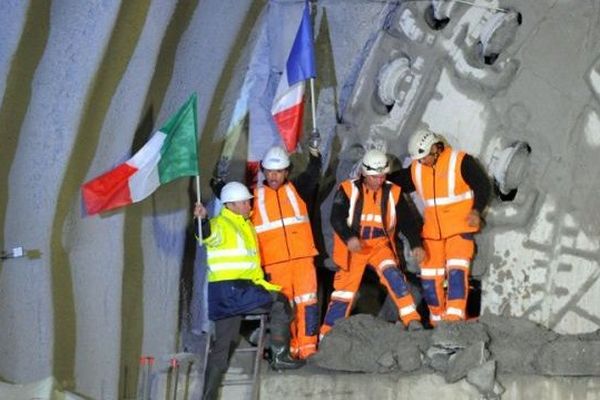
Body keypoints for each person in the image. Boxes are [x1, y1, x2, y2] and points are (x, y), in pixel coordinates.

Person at [194, 181, 303, 400]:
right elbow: (207, 234)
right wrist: (202, 219)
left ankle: (207, 396)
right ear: (231, 205)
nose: (248, 205)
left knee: (222, 347)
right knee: (280, 302)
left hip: (223, 295)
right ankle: (279, 357)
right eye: (244, 202)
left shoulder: (242, 223)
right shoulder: (222, 224)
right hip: (237, 291)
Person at [389, 128, 491, 324]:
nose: (422, 162)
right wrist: (375, 177)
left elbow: (482, 185)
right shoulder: (417, 169)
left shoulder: (459, 161)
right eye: (419, 159)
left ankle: (454, 321)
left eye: (425, 157)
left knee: (456, 273)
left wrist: (476, 211)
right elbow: (395, 181)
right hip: (432, 234)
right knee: (429, 279)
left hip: (459, 230)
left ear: (436, 148)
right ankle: (437, 321)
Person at [320, 149, 425, 337]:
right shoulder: (347, 189)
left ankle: (412, 320)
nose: (379, 181)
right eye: (374, 177)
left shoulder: (393, 192)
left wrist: (416, 244)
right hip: (354, 247)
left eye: (382, 176)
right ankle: (328, 334)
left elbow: (407, 221)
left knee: (394, 276)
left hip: (379, 246)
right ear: (364, 174)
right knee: (344, 293)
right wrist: (349, 237)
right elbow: (336, 218)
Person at [250, 145, 321, 359]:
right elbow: (231, 202)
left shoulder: (296, 190)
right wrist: (218, 185)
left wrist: (315, 157)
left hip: (302, 260)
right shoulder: (253, 197)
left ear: (286, 172)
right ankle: (288, 351)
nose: (273, 176)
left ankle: (308, 349)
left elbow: (312, 174)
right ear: (263, 171)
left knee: (307, 304)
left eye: (278, 171)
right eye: (270, 171)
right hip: (274, 264)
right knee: (284, 308)